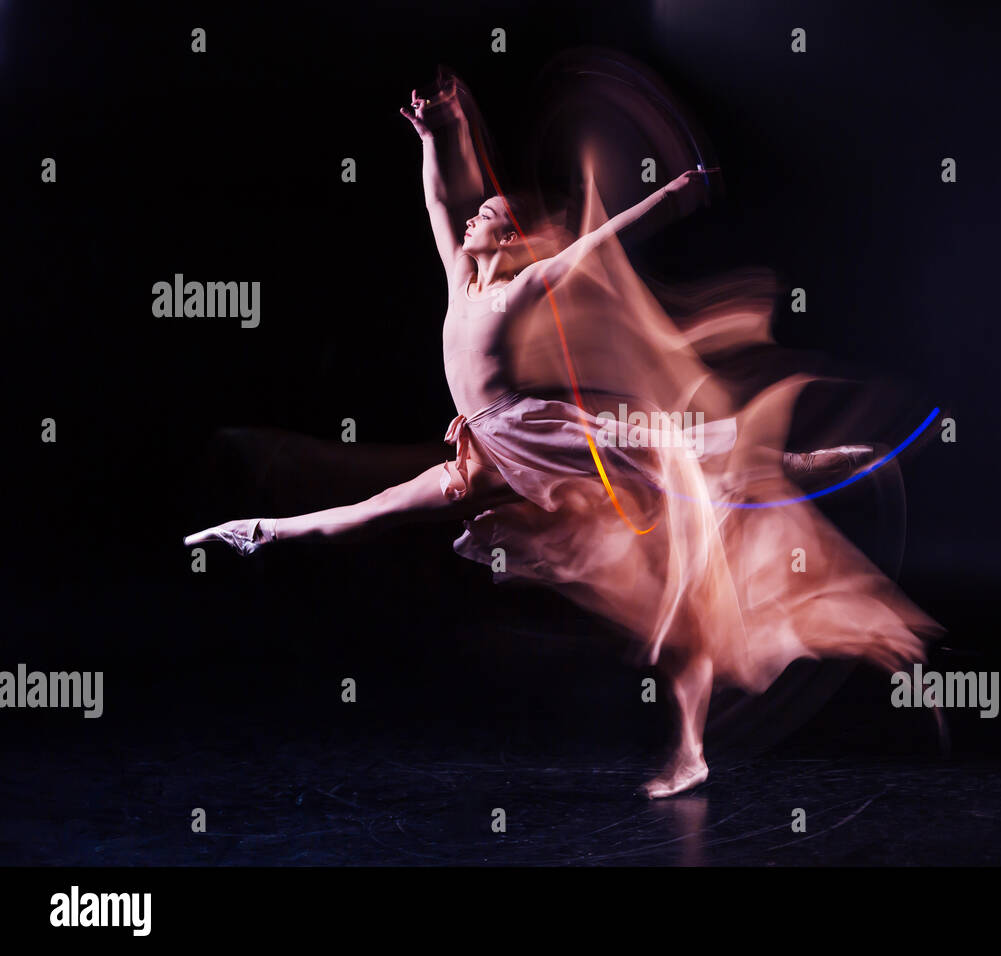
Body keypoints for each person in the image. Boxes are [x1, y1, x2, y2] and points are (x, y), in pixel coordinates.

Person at [186, 81, 940, 798]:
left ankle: (793, 480)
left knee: (680, 499)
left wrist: (674, 193)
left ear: (505, 235)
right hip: (487, 449)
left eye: (489, 212)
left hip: (539, 437)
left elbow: (602, 243)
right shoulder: (459, 278)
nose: (476, 213)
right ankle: (255, 533)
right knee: (378, 508)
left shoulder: (522, 287)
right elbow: (437, 201)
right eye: (478, 210)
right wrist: (432, 133)